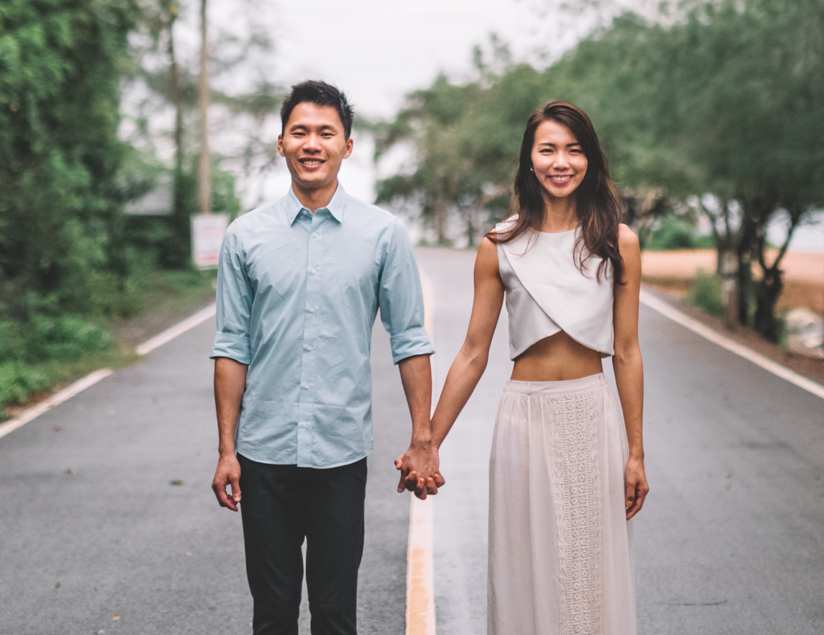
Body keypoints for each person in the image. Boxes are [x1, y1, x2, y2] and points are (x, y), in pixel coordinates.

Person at [209, 79, 440, 635]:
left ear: (348, 146)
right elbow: (231, 346)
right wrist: (225, 449)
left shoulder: (383, 235)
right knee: (273, 615)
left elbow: (409, 339)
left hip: (340, 455)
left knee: (336, 617)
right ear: (281, 143)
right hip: (263, 455)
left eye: (325, 133)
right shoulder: (246, 237)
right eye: (300, 132)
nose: (312, 143)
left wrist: (422, 439)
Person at [424, 100, 647, 635]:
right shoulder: (500, 246)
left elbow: (628, 351)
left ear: (590, 160)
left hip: (592, 415)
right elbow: (473, 353)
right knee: (528, 568)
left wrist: (635, 451)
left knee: (587, 571)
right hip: (524, 420)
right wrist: (429, 441)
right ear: (529, 160)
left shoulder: (618, 242)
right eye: (547, 150)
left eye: (573, 150)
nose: (560, 161)